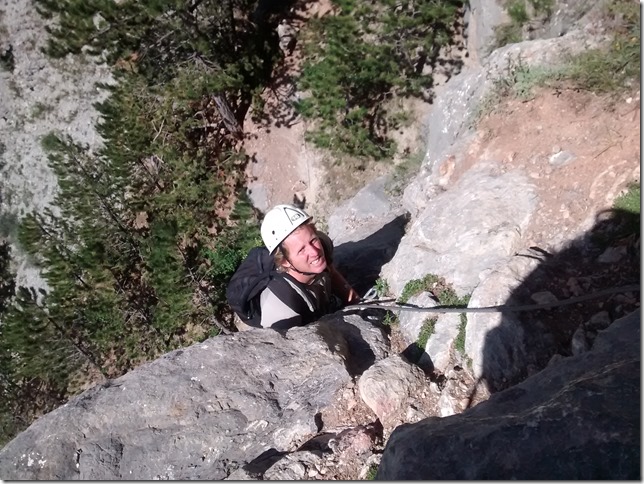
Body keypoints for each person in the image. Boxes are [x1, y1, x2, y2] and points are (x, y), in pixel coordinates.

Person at [257, 204, 359, 329]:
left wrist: (356, 302)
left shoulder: (324, 244)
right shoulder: (281, 309)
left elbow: (331, 270)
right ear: (284, 261)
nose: (315, 252)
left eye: (313, 240)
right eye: (301, 250)